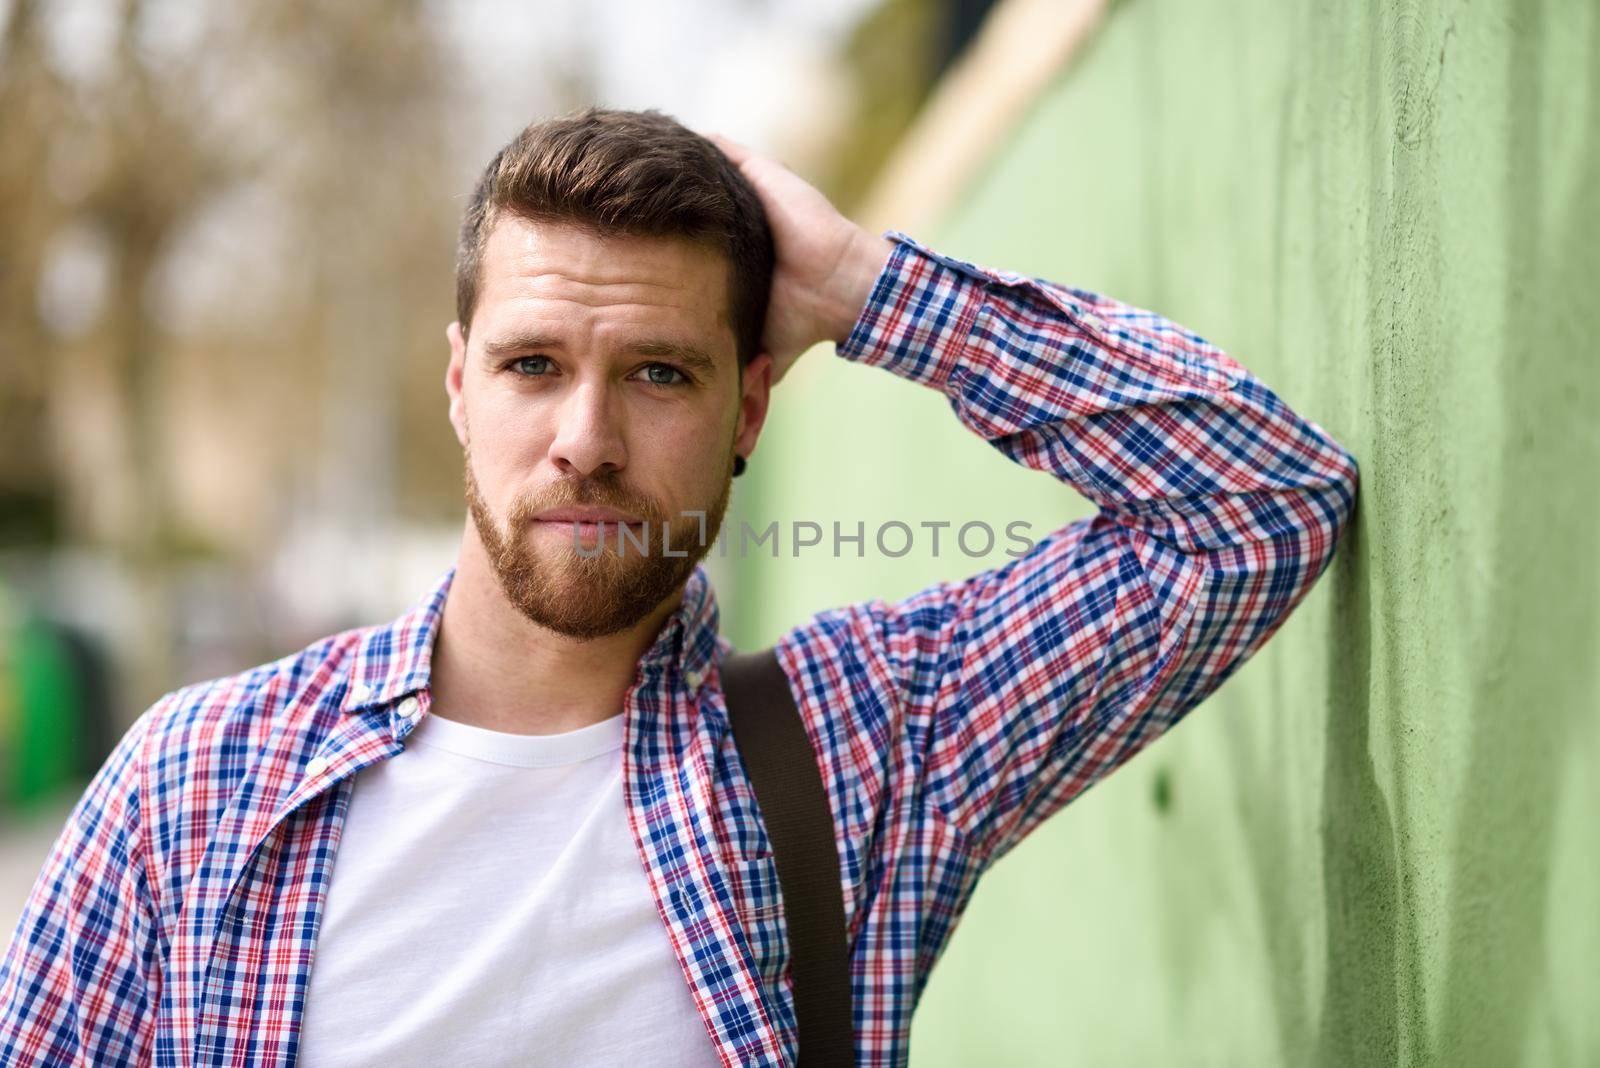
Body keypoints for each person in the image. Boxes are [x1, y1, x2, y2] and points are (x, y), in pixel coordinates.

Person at [0, 106, 1357, 1067]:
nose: (586, 439)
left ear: (749, 407)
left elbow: (1258, 506)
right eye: (535, 366)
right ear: (458, 384)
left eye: (659, 373)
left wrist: (867, 288)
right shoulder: (201, 788)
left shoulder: (865, 746)